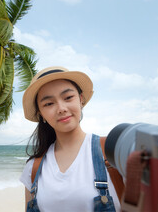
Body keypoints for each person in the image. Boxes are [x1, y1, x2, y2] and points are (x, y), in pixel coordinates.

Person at [20, 66, 122, 212]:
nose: (61, 108)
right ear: (41, 113)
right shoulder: (33, 169)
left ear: (81, 100)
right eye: (49, 103)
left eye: (68, 98)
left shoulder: (112, 151)